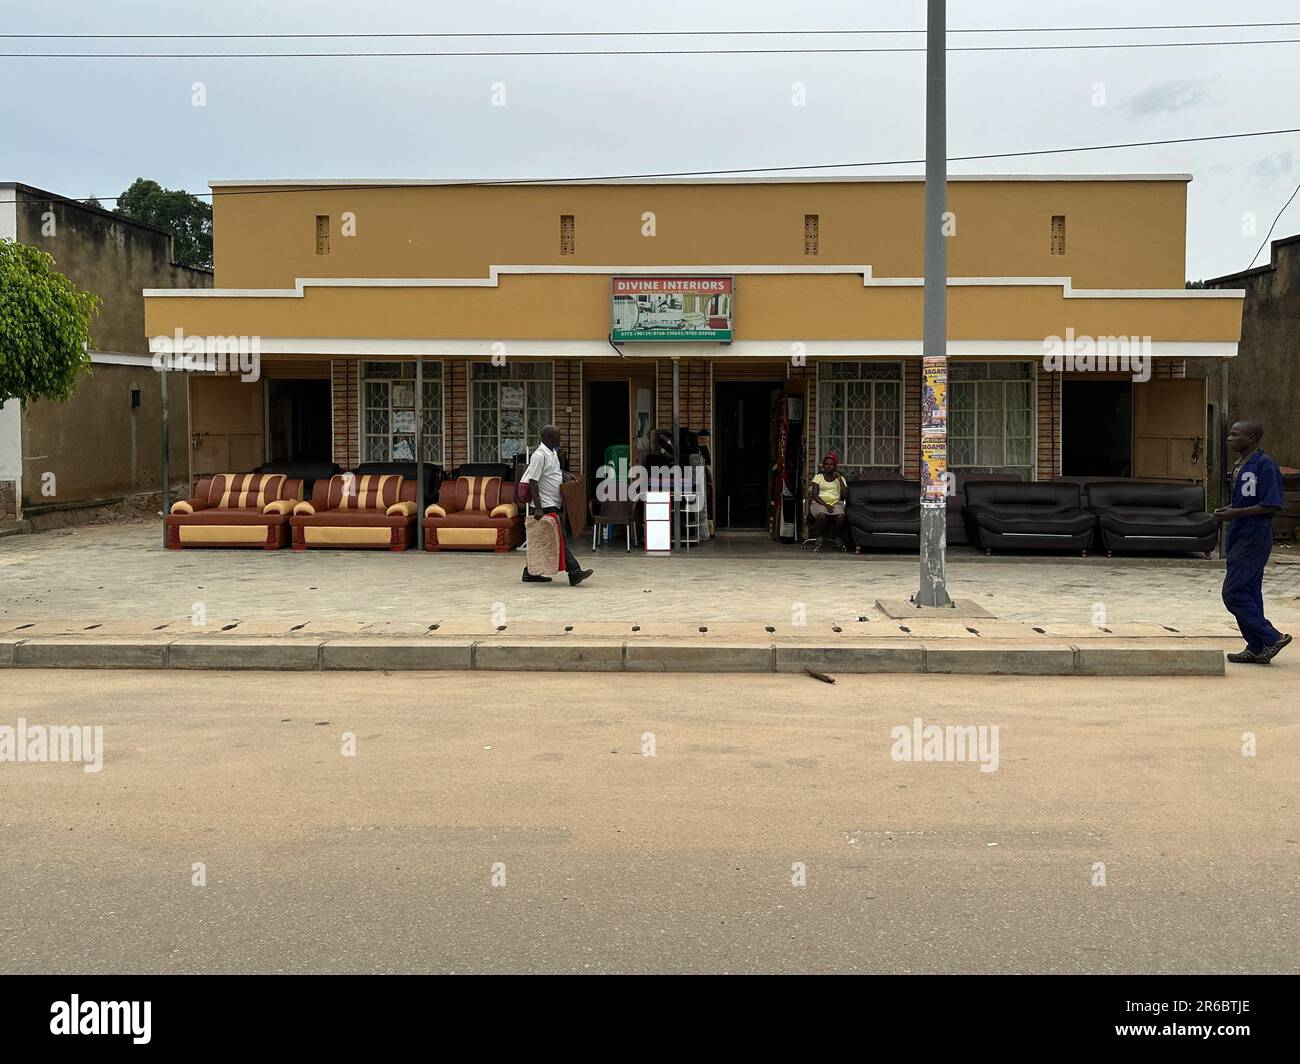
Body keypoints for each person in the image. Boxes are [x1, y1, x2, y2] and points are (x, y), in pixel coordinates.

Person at [1214, 419, 1291, 664]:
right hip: (1238, 531)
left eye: (1235, 434)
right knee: (1249, 590)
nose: (1229, 438)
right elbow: (1247, 501)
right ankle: (1257, 646)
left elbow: (1271, 504)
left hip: (1255, 534)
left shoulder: (1265, 465)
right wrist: (1231, 509)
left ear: (1251, 439)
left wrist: (1235, 513)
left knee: (1233, 592)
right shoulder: (1241, 464)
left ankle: (1273, 636)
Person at [520, 425, 593, 587]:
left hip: (553, 502)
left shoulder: (552, 452)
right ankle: (574, 572)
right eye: (558, 436)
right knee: (559, 538)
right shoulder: (539, 455)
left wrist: (565, 476)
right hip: (545, 505)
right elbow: (533, 481)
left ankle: (529, 572)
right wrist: (538, 507)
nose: (560, 438)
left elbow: (553, 473)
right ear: (549, 438)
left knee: (542, 541)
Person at [806, 452, 848, 551]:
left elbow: (845, 495)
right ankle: (820, 537)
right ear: (824, 466)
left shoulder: (840, 478)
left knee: (841, 516)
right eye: (826, 464)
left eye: (831, 464)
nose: (829, 466)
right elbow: (815, 495)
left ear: (835, 466)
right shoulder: (818, 477)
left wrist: (840, 480)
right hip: (819, 502)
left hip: (835, 503)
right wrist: (826, 505)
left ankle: (838, 537)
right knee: (822, 515)